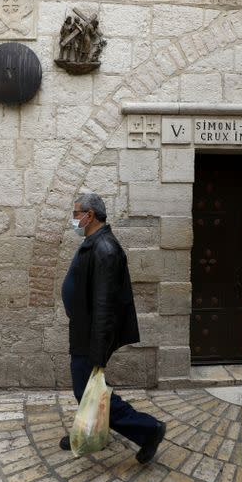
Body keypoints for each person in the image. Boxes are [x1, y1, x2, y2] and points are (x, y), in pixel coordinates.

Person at [60, 193, 166, 464]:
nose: (74, 219)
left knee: (89, 389)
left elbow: (106, 305)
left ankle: (148, 429)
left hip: (90, 335)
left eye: (76, 214)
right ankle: (85, 429)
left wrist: (98, 350)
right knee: (90, 388)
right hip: (83, 329)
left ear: (90, 215)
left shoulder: (105, 248)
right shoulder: (93, 242)